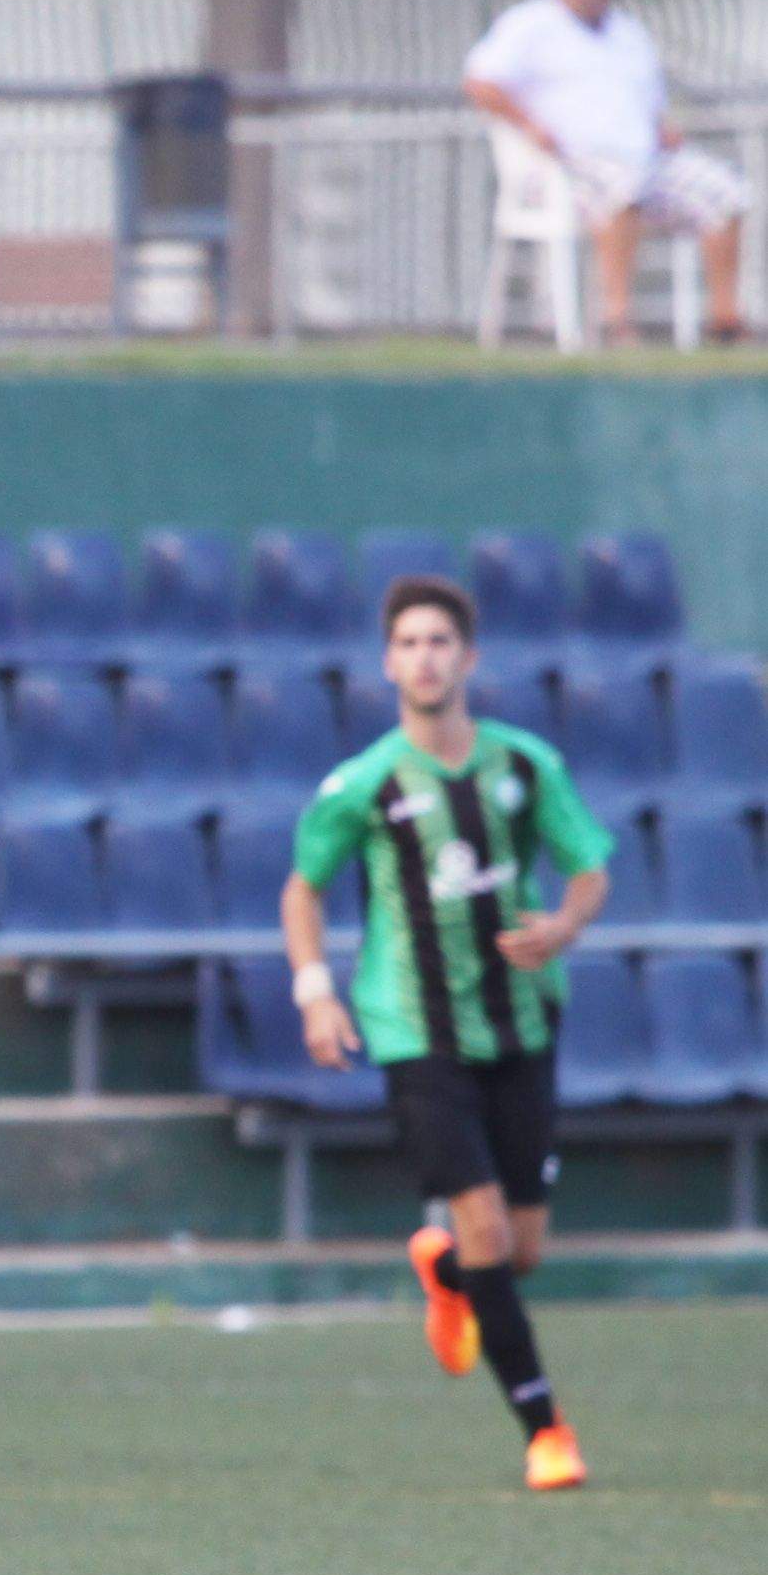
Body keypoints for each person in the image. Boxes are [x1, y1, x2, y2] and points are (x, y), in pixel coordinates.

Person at [285, 574, 610, 1493]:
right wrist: (317, 993)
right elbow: (302, 886)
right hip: (414, 1029)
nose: (425, 657)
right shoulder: (366, 782)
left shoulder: (524, 766)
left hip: (520, 1024)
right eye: (409, 643)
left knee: (522, 1248)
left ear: (468, 658)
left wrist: (563, 928)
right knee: (483, 1224)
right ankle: (545, 1430)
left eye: (440, 641)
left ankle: (449, 1278)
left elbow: (589, 868)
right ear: (388, 663)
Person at [461, 0, 748, 344]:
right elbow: (480, 83)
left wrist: (661, 127)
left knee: (726, 191)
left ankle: (726, 320)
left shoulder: (628, 32)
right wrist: (528, 125)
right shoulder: (528, 25)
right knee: (623, 186)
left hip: (644, 156)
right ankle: (617, 318)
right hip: (566, 162)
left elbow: (648, 100)